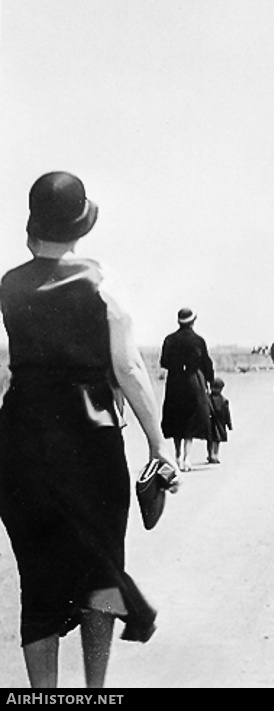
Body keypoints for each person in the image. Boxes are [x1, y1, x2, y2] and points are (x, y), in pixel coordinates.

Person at [0, 171, 178, 688]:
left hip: (19, 440)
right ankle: (94, 693)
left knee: (37, 578)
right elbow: (128, 369)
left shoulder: (8, 284)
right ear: (81, 224)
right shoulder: (104, 283)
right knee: (100, 569)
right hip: (88, 438)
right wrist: (157, 441)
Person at [159, 307, 214, 472]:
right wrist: (210, 380)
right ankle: (186, 458)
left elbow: (164, 362)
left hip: (175, 381)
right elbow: (206, 362)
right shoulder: (198, 340)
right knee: (191, 417)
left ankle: (176, 456)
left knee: (176, 417)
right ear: (193, 322)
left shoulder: (169, 339)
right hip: (193, 380)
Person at [206, 377, 232, 464]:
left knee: (210, 440)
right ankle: (215, 455)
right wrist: (229, 424)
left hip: (211, 422)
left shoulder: (208, 399)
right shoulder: (224, 400)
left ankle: (210, 454)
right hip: (220, 423)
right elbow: (227, 414)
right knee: (217, 440)